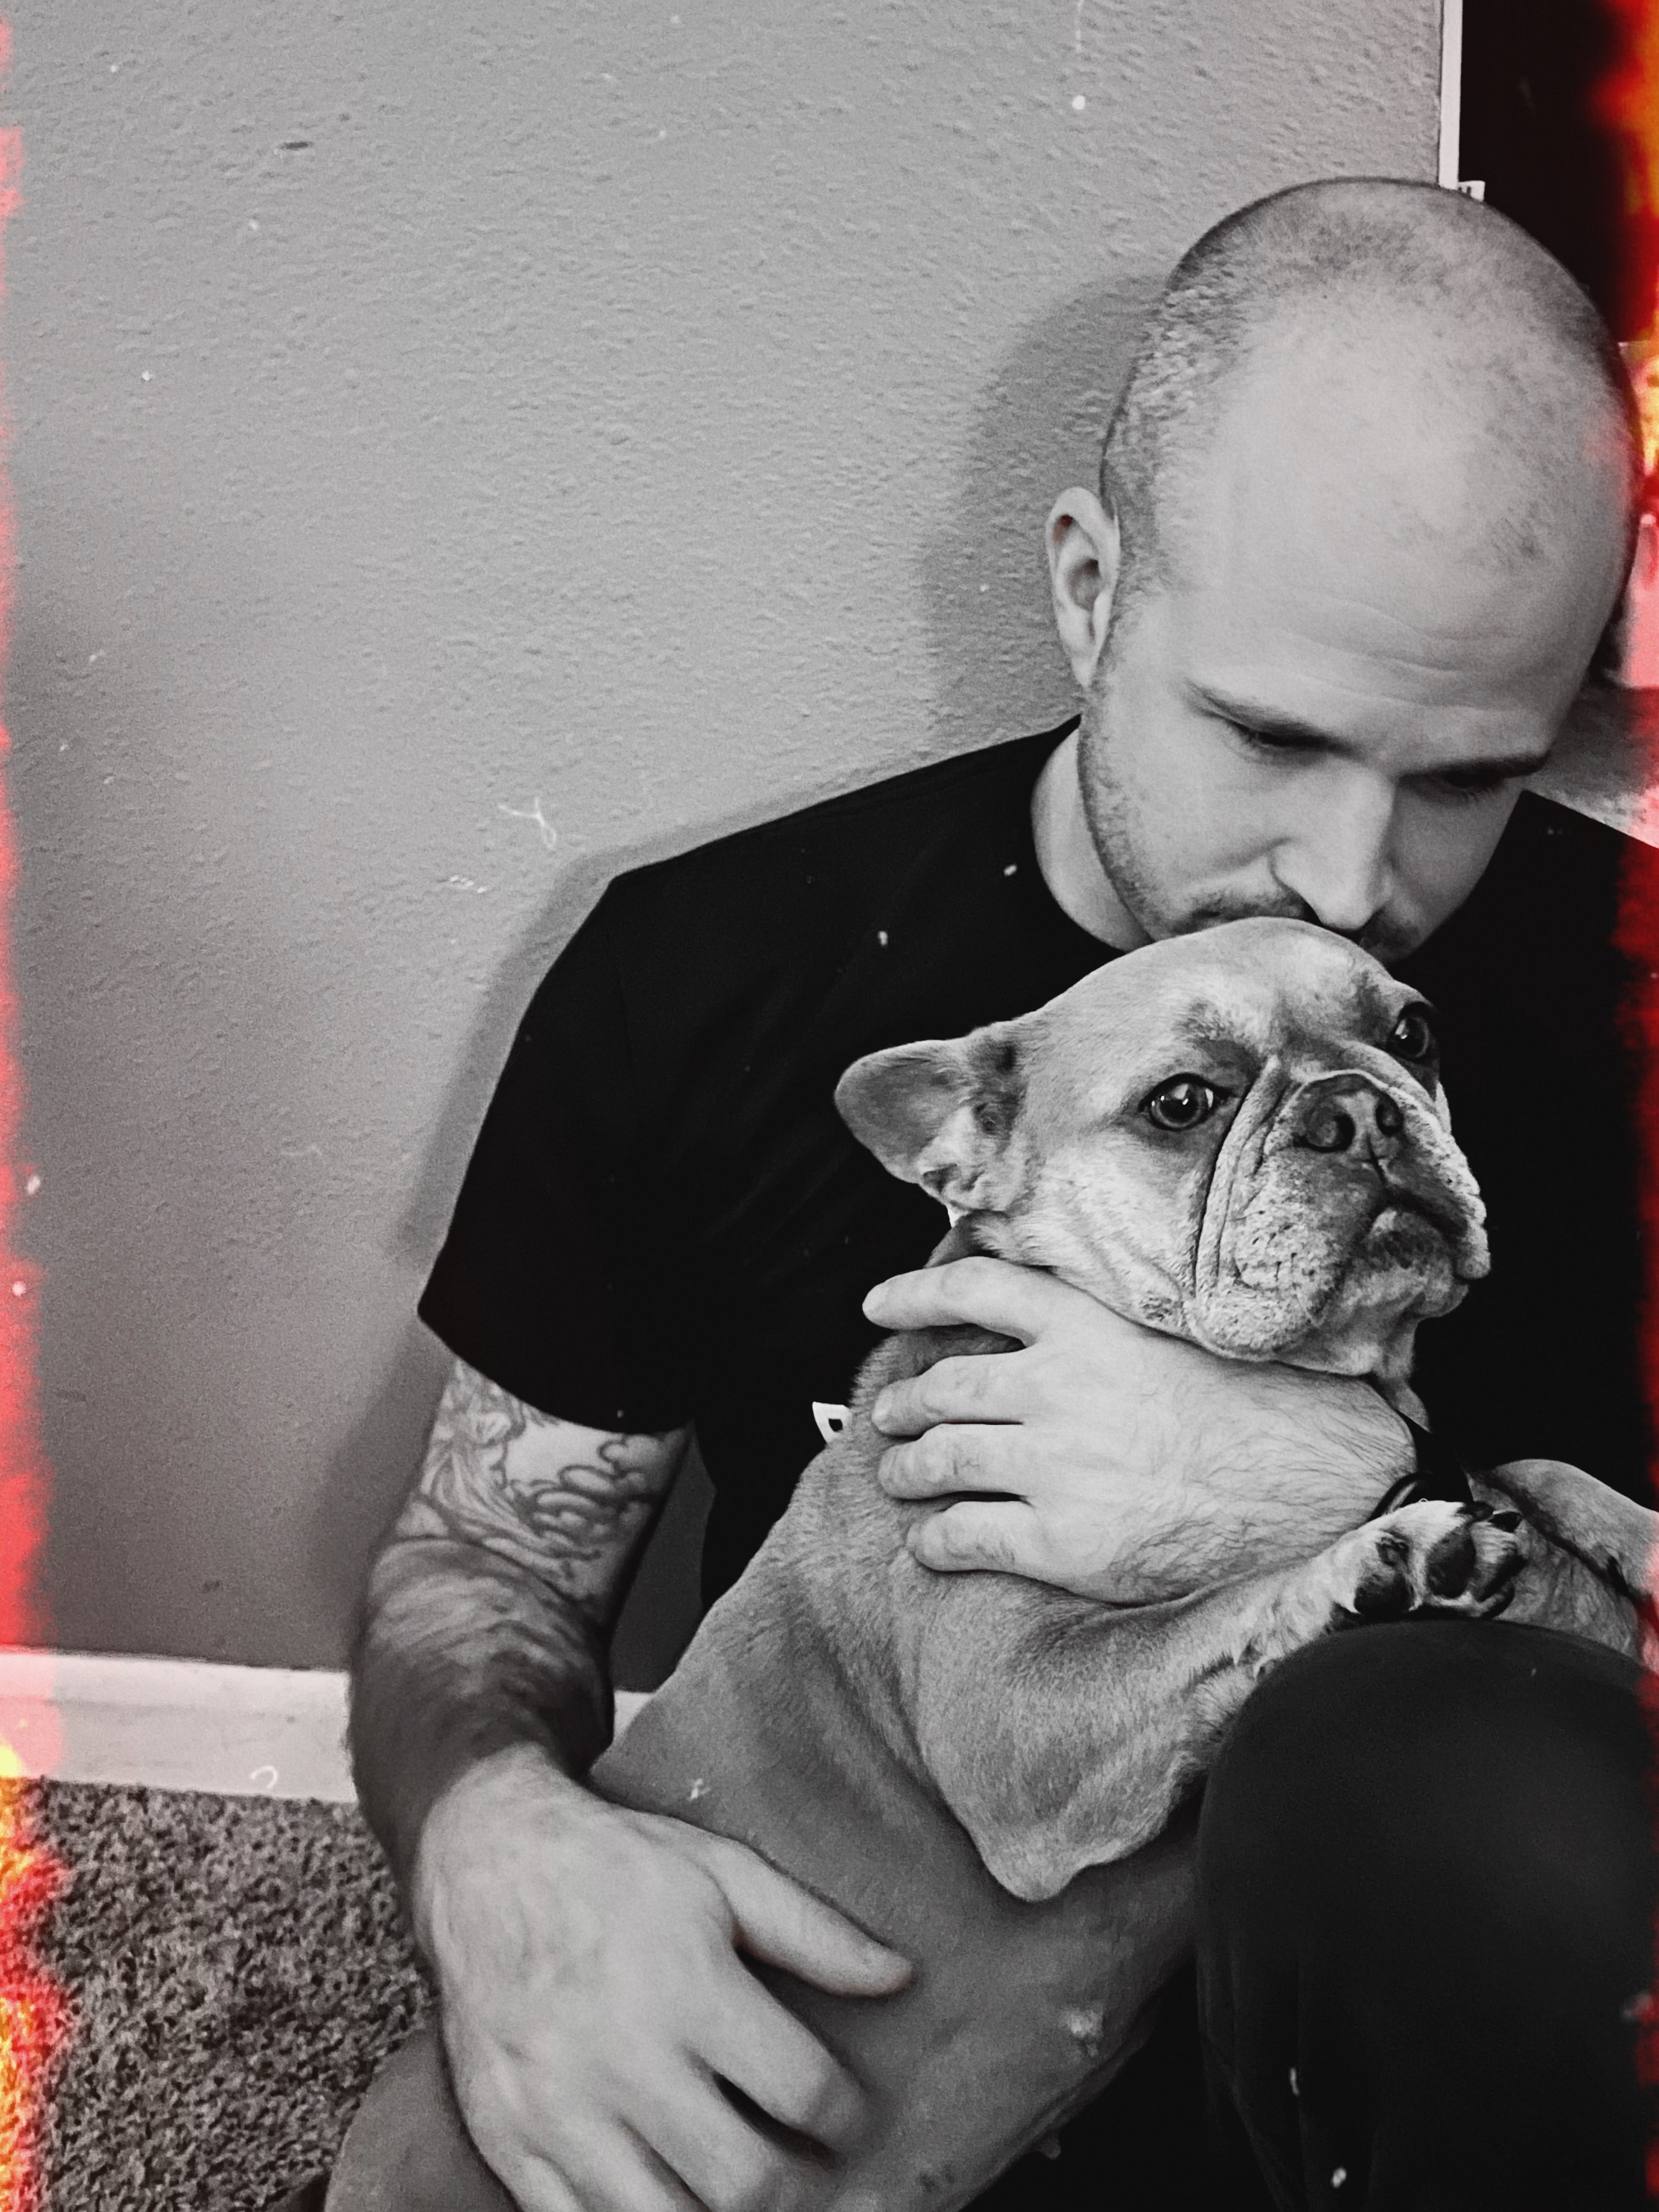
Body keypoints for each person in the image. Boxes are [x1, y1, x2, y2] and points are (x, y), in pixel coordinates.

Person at [290, 179, 1655, 2212]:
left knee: (1494, 1811)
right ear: (1091, 590)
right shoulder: (705, 974)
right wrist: (495, 1841)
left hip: (1369, 2063)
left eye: (1468, 772)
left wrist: (1318, 1485)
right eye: (1267, 733)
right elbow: (485, 1558)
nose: (1351, 877)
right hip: (838, 2051)